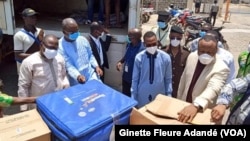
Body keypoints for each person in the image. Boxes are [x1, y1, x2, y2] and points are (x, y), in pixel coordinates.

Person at [176, 35, 230, 123]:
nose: (205, 54)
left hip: (202, 112)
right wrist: (178, 102)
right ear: (197, 49)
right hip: (184, 108)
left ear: (216, 51)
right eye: (202, 51)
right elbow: (183, 81)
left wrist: (196, 105)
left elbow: (213, 88)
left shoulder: (221, 68)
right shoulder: (192, 57)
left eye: (209, 52)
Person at [18, 34, 70, 111]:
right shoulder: (29, 62)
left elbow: (63, 75)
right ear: (41, 45)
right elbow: (23, 86)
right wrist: (24, 108)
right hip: (40, 104)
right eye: (50, 47)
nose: (53, 51)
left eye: (55, 48)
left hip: (58, 100)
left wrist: (66, 86)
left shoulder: (59, 58)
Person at [131, 31, 172, 108]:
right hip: (142, 98)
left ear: (157, 43)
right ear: (144, 44)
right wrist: (134, 98)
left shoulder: (165, 58)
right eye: (149, 45)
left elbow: (168, 79)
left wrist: (168, 96)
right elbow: (135, 80)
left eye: (154, 44)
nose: (152, 47)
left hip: (160, 98)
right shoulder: (139, 58)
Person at [58, 18, 103, 86]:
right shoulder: (60, 46)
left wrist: (96, 66)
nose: (76, 34)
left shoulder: (83, 39)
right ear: (64, 32)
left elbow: (90, 55)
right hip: (77, 80)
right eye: (72, 33)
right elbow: (68, 65)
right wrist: (78, 76)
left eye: (77, 31)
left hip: (90, 75)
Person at [14, 8, 44, 75]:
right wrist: (38, 55)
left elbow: (43, 47)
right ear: (24, 18)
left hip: (37, 64)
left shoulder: (40, 31)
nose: (34, 18)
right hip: (25, 66)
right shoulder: (19, 35)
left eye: (35, 16)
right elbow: (18, 55)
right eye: (31, 17)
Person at [116, 28, 145, 97]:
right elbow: (126, 57)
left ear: (136, 38)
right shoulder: (129, 45)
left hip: (135, 80)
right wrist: (120, 62)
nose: (128, 38)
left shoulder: (142, 49)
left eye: (129, 37)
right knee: (125, 96)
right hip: (126, 77)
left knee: (133, 98)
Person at [164, 25, 190, 98]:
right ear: (169, 36)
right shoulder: (163, 52)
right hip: (164, 89)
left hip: (179, 91)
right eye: (173, 38)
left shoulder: (186, 54)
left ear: (181, 38)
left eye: (178, 38)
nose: (175, 40)